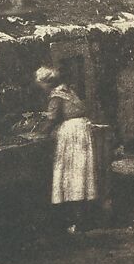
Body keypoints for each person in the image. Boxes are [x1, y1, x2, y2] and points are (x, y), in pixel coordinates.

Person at [35, 66, 99, 234]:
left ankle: (77, 222)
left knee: (72, 175)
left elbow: (51, 119)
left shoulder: (56, 96)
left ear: (45, 83)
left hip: (72, 134)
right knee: (82, 173)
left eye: (40, 83)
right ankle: (83, 218)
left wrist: (39, 133)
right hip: (83, 129)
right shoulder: (67, 90)